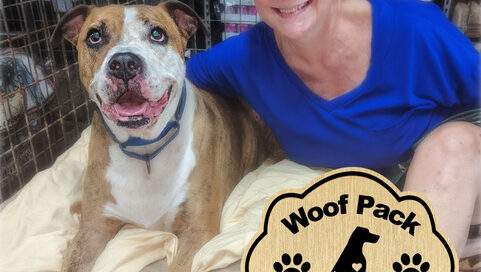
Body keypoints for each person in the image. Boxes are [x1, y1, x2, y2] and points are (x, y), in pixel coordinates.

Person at [186, 0, 481, 266]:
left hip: (451, 169)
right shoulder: (243, 57)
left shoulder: (413, 26)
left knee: (452, 144)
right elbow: (172, 82)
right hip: (364, 195)